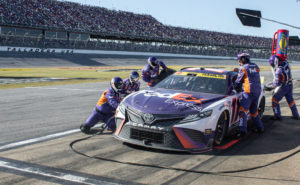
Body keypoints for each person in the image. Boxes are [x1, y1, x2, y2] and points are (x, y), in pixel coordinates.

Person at [234, 52, 264, 137]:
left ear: (242, 59)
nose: (239, 62)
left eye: (239, 60)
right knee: (254, 111)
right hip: (257, 91)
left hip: (248, 92)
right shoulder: (255, 66)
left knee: (242, 110)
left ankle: (242, 130)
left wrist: (234, 87)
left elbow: (238, 81)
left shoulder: (243, 68)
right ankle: (260, 127)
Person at [268, 55, 299, 120]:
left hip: (284, 86)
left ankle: (277, 115)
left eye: (273, 64)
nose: (273, 66)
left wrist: (269, 87)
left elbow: (276, 83)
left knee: (275, 99)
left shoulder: (279, 70)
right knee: (290, 100)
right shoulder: (285, 62)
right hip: (290, 84)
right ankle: (296, 115)